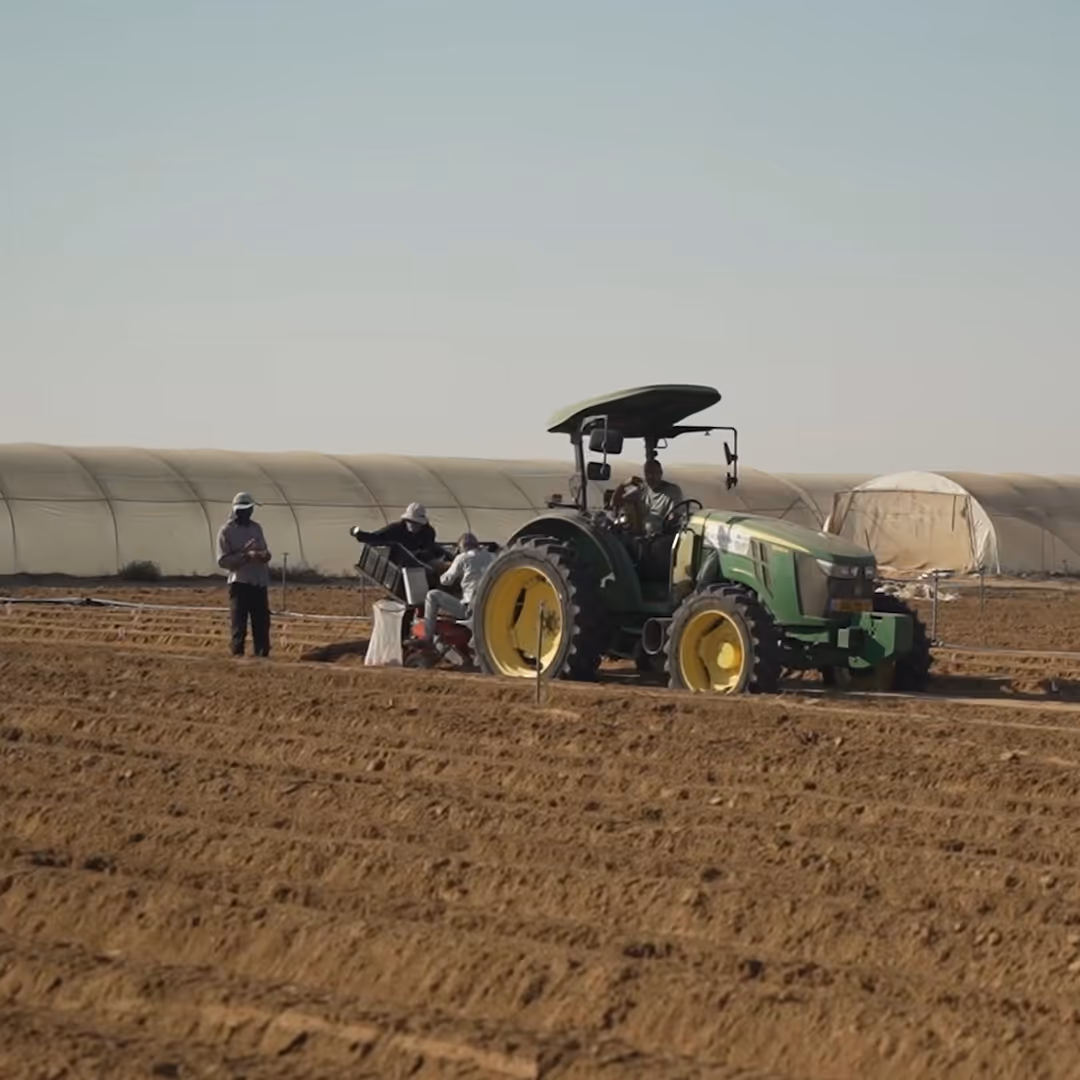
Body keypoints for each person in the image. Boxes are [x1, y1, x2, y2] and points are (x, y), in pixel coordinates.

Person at [216, 491, 272, 658]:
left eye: (249, 509)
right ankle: (237, 654)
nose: (247, 513)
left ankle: (262, 654)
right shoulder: (226, 531)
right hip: (240, 582)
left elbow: (264, 550)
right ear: (236, 511)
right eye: (244, 510)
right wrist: (246, 557)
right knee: (239, 623)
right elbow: (223, 560)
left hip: (258, 581)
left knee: (261, 622)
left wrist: (264, 556)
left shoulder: (256, 528)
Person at [422, 531, 495, 643]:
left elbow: (446, 581)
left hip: (470, 608)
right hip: (491, 605)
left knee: (432, 595)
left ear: (461, 548)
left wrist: (444, 568)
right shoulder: (491, 556)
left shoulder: (463, 558)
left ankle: (427, 638)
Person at [350, 502, 443, 565]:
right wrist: (359, 534)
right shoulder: (396, 529)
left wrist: (418, 555)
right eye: (409, 521)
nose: (412, 525)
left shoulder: (428, 532)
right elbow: (377, 537)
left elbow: (429, 549)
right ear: (405, 520)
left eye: (416, 523)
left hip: (421, 564)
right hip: (399, 564)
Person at [612, 459, 684, 535]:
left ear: (660, 473)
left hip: (661, 536)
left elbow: (675, 516)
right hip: (642, 535)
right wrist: (623, 485)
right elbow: (615, 503)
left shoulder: (672, 491)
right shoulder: (643, 489)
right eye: (647, 473)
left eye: (654, 473)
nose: (650, 477)